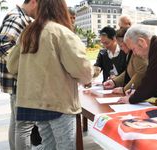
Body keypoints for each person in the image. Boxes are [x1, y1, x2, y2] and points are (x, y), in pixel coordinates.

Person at [6, 0, 93, 149]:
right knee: (65, 145)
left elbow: (11, 65)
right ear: (61, 9)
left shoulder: (28, 32)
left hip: (35, 103)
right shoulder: (61, 32)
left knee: (48, 144)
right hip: (59, 103)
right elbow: (82, 70)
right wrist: (89, 76)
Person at [0, 0, 41, 149]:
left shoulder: (18, 16)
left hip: (15, 81)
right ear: (34, 2)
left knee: (17, 123)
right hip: (20, 81)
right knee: (24, 125)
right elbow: (2, 45)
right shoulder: (18, 17)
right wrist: (24, 67)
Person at [103, 27, 148, 94]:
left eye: (121, 46)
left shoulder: (136, 54)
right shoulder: (130, 54)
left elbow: (141, 72)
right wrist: (114, 82)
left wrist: (125, 89)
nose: (121, 49)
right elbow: (128, 72)